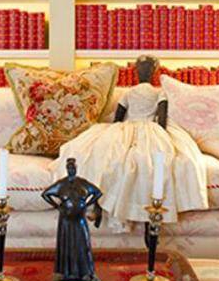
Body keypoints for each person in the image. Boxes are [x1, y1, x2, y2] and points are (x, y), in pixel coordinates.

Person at [50, 55, 208, 230]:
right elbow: (161, 120)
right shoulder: (158, 92)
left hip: (126, 128)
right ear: (154, 72)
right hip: (151, 129)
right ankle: (146, 210)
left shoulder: (129, 92)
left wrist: (119, 130)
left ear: (136, 72)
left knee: (108, 156)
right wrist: (161, 133)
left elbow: (118, 118)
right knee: (150, 160)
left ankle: (99, 203)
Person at [42, 158, 103, 281]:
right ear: (66, 169)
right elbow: (45, 194)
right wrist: (57, 206)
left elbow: (98, 192)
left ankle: (86, 272)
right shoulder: (61, 184)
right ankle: (67, 273)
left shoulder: (83, 183)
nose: (71, 170)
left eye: (73, 168)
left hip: (80, 219)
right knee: (66, 243)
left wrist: (87, 204)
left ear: (76, 168)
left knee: (83, 244)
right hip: (66, 219)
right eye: (69, 168)